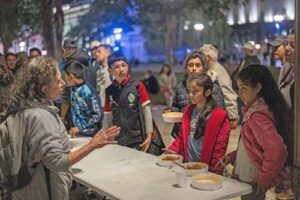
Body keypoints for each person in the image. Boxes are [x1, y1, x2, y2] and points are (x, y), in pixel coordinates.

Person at [0, 57, 120, 200]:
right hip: (44, 192)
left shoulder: (21, 109)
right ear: (44, 89)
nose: (63, 83)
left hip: (24, 191)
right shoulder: (41, 117)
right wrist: (93, 144)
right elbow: (57, 163)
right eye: (58, 81)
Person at [218, 64, 292, 200]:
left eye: (243, 89)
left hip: (252, 179)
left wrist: (263, 178)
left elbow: (277, 150)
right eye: (238, 88)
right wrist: (234, 156)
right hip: (250, 176)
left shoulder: (257, 116)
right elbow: (253, 145)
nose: (239, 94)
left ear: (258, 87)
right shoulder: (257, 110)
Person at [164, 73, 231, 174]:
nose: (191, 95)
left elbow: (219, 151)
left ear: (207, 92)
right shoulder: (188, 111)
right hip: (189, 165)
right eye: (190, 91)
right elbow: (182, 137)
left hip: (207, 169)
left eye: (195, 91)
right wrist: (173, 149)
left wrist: (213, 172)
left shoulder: (219, 116)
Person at [166, 50, 225, 139]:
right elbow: (176, 106)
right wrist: (171, 110)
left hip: (202, 137)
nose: (194, 68)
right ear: (186, 68)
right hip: (179, 135)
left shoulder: (213, 87)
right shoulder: (180, 87)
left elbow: (220, 115)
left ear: (204, 68)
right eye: (190, 65)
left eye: (198, 65)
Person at [103, 53, 153, 152]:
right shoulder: (109, 91)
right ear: (110, 71)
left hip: (137, 139)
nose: (121, 70)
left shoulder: (138, 86)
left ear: (127, 67)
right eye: (116, 67)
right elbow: (108, 116)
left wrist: (149, 136)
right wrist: (104, 136)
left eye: (123, 65)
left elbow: (146, 112)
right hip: (118, 140)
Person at [200, 44, 239, 129]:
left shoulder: (218, 71)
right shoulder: (210, 70)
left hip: (218, 116)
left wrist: (233, 117)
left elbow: (228, 93)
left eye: (201, 57)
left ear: (208, 57)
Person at [64, 61, 103, 137]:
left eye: (66, 77)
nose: (65, 81)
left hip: (90, 133)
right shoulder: (73, 88)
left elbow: (97, 115)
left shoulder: (87, 91)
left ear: (71, 76)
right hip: (78, 133)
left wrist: (80, 127)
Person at [93, 43, 113, 108]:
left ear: (107, 53)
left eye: (99, 52)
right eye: (96, 52)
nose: (96, 54)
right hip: (100, 107)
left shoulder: (113, 69)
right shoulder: (98, 69)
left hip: (110, 107)